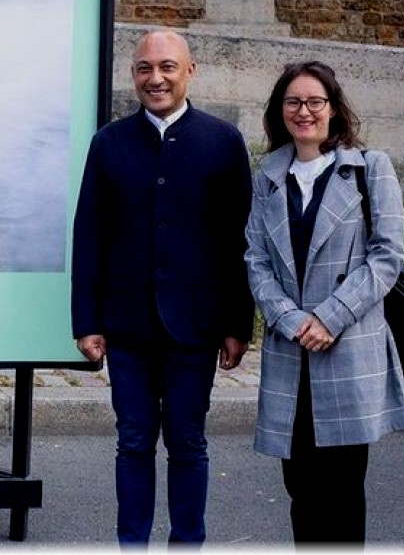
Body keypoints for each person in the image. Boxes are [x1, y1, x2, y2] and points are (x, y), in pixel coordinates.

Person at [71, 29, 254, 546]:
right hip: (126, 323)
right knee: (132, 443)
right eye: (145, 68)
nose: (156, 78)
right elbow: (90, 233)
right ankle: (132, 543)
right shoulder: (108, 143)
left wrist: (238, 325)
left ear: (189, 71)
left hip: (195, 324)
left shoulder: (223, 142)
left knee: (188, 443)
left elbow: (240, 242)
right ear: (133, 76)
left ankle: (186, 543)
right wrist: (86, 320)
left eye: (167, 67)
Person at [245, 61, 404, 545]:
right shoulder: (269, 175)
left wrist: (329, 317)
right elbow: (255, 258)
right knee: (300, 488)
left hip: (345, 346)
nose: (304, 111)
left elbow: (387, 256)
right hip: (290, 351)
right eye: (293, 102)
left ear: (334, 109)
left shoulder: (368, 168)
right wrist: (292, 319)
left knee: (341, 490)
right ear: (280, 111)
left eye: (315, 101)